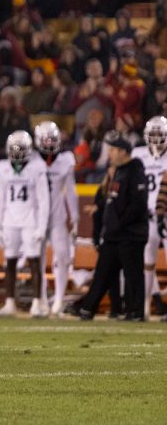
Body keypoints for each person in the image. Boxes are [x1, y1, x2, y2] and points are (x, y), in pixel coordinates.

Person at [67, 134, 150, 321]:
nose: (110, 154)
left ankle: (135, 312)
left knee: (133, 275)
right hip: (114, 235)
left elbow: (138, 204)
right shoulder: (118, 172)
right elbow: (114, 200)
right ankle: (87, 309)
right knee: (103, 273)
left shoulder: (135, 171)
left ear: (123, 152)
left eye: (113, 150)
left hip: (131, 234)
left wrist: (119, 224)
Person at [0, 130, 50, 317]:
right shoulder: (3, 168)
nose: (17, 153)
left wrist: (42, 226)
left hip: (30, 219)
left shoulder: (37, 166)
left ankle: (37, 302)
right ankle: (10, 303)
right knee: (10, 261)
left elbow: (44, 200)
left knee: (34, 260)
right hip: (10, 219)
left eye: (20, 149)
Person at [33, 121, 80, 316]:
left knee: (62, 256)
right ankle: (41, 299)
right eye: (46, 139)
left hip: (57, 214)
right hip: (36, 216)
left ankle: (59, 299)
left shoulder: (65, 159)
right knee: (38, 259)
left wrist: (75, 216)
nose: (50, 143)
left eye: (53, 139)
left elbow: (71, 190)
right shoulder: (32, 160)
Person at [131, 116, 167, 316]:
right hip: (146, 215)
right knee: (147, 260)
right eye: (152, 134)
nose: (155, 138)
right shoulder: (139, 155)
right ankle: (143, 305)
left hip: (165, 214)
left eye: (159, 134)